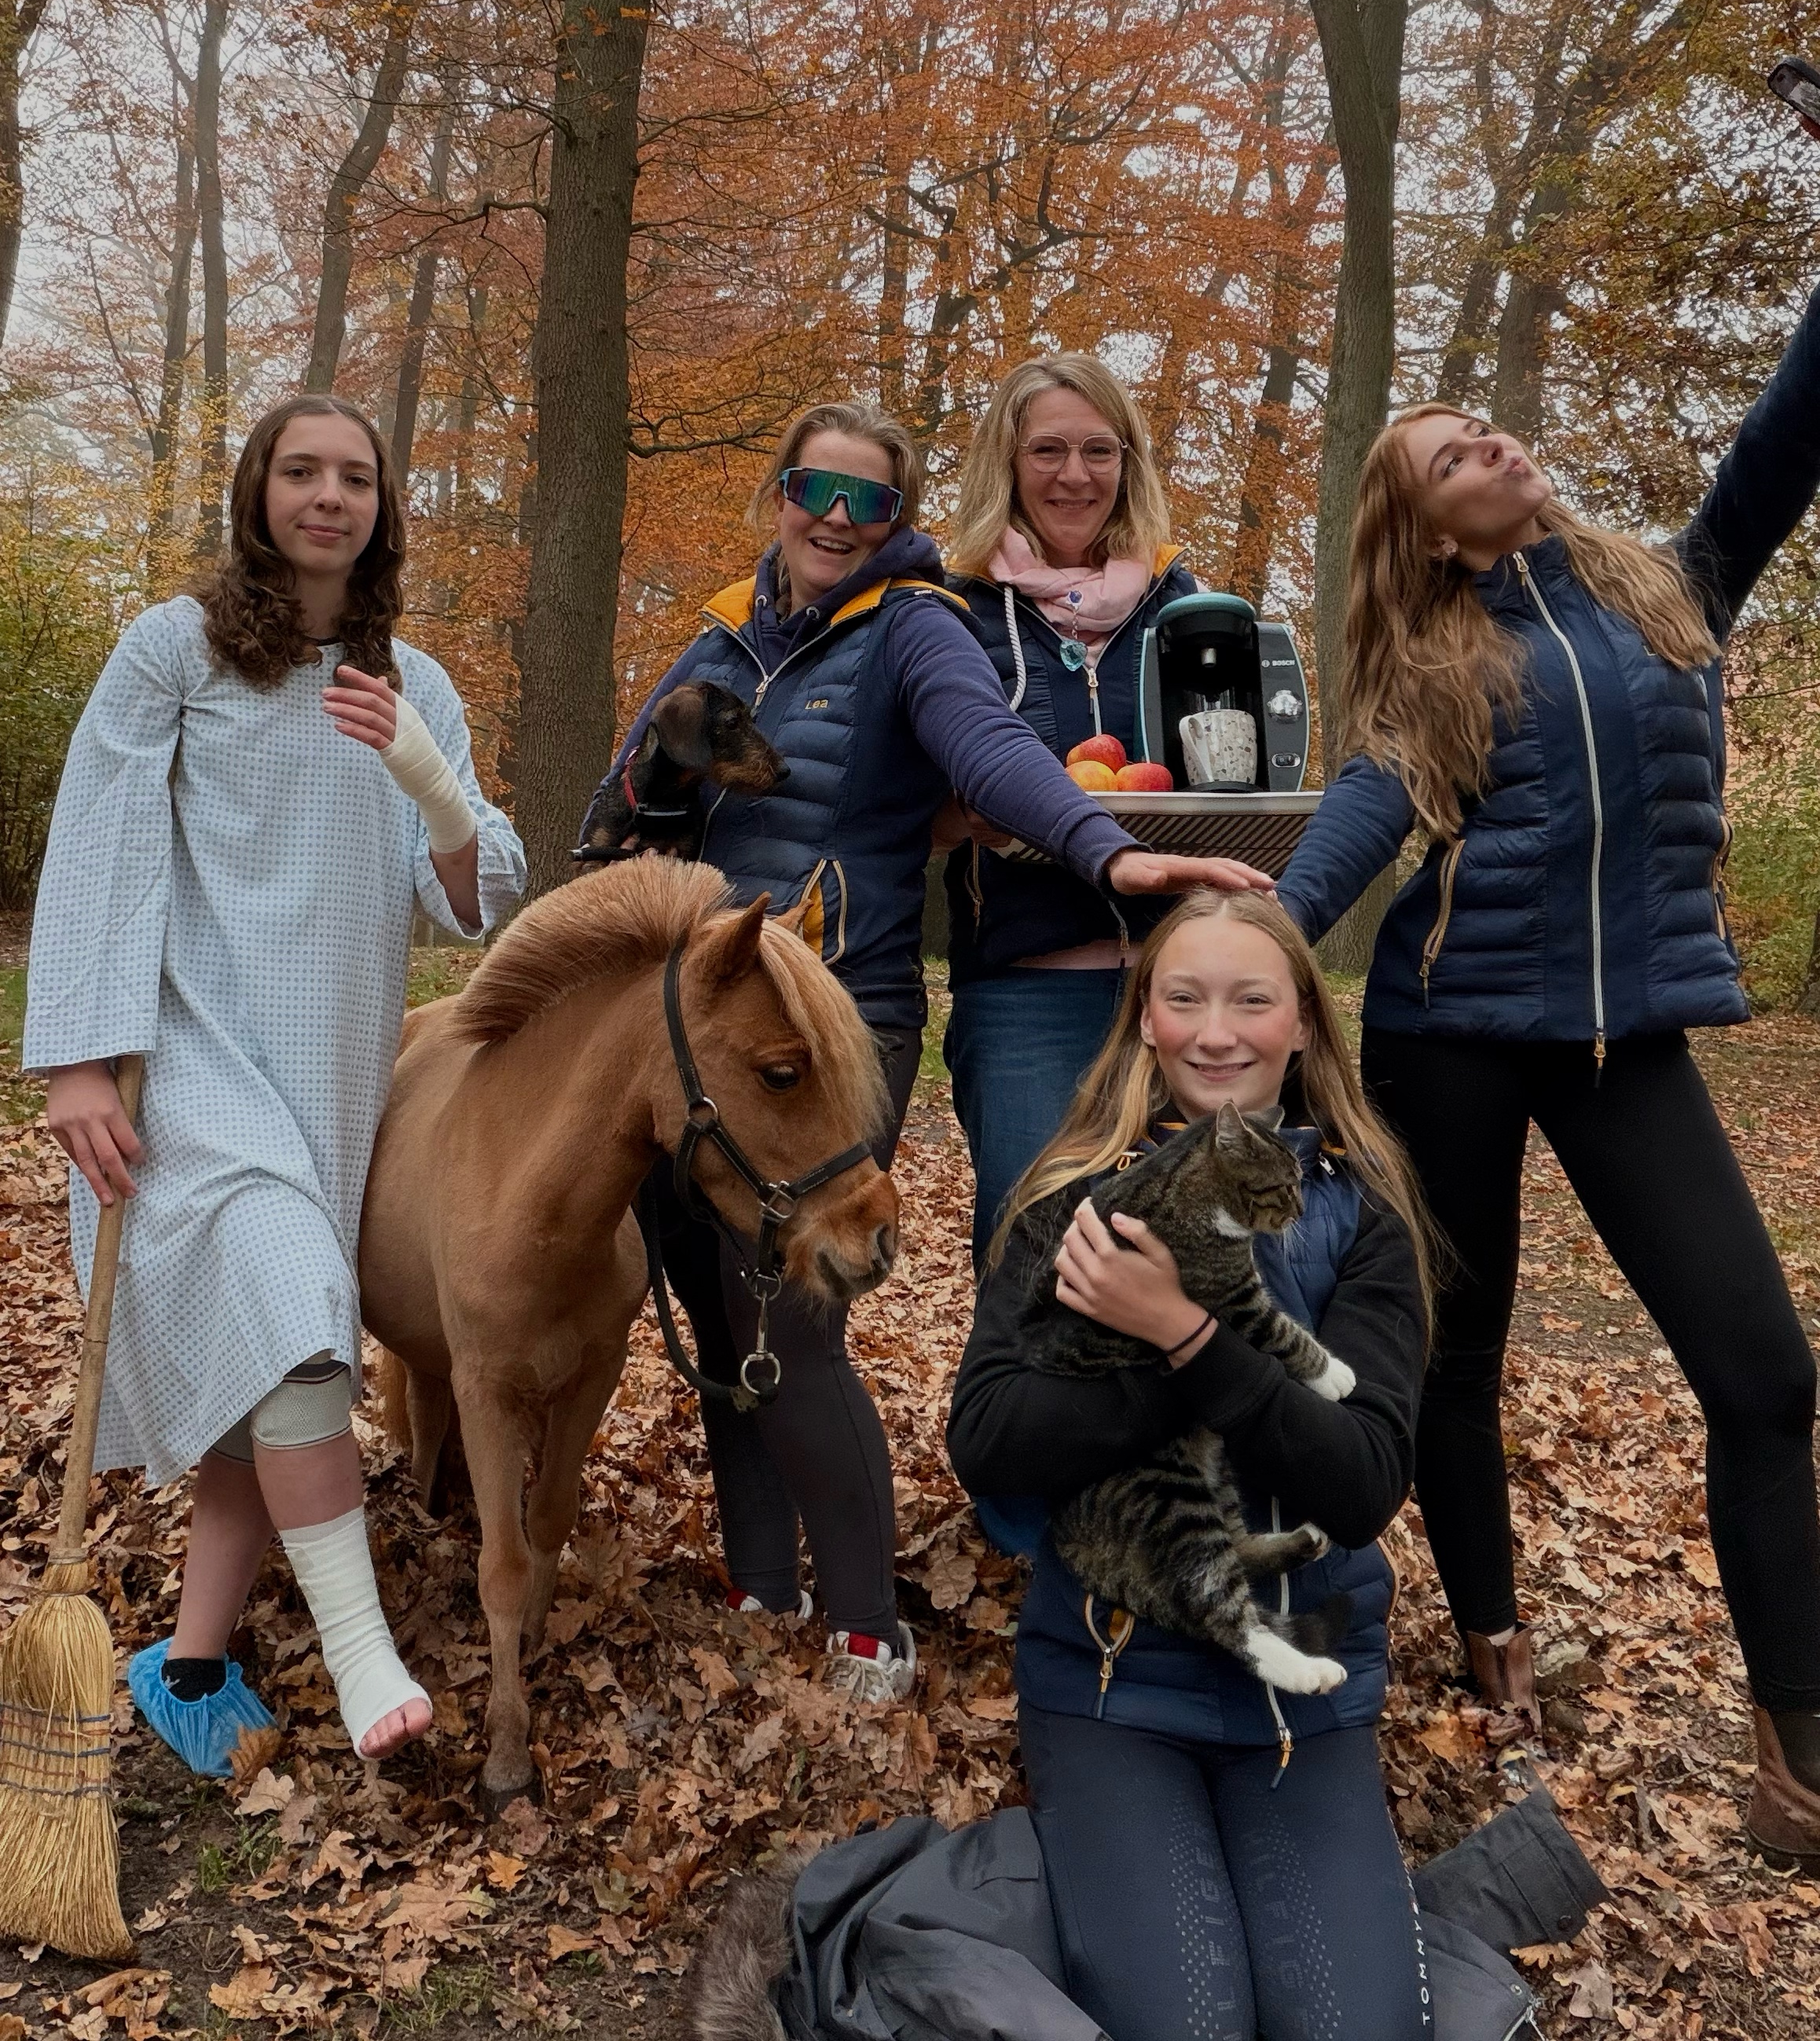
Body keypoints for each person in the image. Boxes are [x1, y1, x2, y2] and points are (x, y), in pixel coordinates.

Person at [579, 399, 1252, 1702]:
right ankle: (762, 1579)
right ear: (780, 494)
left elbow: (990, 751)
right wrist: (661, 773)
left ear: (897, 517)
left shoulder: (915, 626)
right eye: (816, 491)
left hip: (841, 1018)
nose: (838, 520)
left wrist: (1103, 845)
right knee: (719, 1301)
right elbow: (613, 819)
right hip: (700, 1034)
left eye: (869, 501)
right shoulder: (721, 635)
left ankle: (867, 1620)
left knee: (789, 1312)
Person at [1275, 310, 1820, 1864]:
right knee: (1459, 1357)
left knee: (1767, 1376)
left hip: (1626, 1044)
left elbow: (1784, 438)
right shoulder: (1432, 660)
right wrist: (1254, 944)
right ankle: (1493, 1632)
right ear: (1429, 531)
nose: (1493, 444)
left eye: (1488, 430)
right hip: (1449, 1035)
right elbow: (1363, 815)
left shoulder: (1670, 585)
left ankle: (1798, 1747)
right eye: (1453, 454)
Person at [25, 393, 525, 1775]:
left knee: (271, 1358)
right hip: (186, 1056)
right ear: (258, 491)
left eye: (354, 476)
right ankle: (366, 1661)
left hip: (329, 1072)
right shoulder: (173, 651)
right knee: (302, 1334)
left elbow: (473, 901)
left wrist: (431, 782)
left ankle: (187, 1664)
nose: (328, 495)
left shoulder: (415, 686)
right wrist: (76, 1058)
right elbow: (97, 847)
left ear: (382, 508)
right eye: (301, 470)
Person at [947, 890, 1437, 2041]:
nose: (1218, 1033)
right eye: (1186, 999)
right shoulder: (1072, 1201)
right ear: (1146, 1021)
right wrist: (1165, 1359)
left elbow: (1362, 1484)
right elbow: (990, 1440)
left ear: (1302, 1023)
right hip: (1113, 1685)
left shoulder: (1362, 1214)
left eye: (1251, 1001)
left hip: (1303, 1692)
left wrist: (1184, 1331)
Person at [940, 354, 1263, 1275]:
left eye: (1098, 450)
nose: (1074, 475)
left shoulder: (1188, 607)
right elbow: (906, 810)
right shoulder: (953, 611)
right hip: (1026, 994)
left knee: (1196, 1263)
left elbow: (1232, 779)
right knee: (1033, 1259)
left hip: (1182, 986)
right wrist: (973, 816)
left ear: (1129, 462)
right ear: (1006, 461)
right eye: (1047, 450)